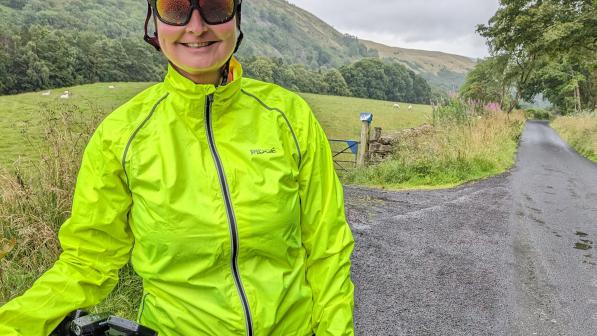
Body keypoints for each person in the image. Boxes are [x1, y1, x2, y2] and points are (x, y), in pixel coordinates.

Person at [0, 0, 355, 335]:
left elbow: (327, 248)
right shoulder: (121, 136)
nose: (196, 27)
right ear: (155, 21)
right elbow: (88, 262)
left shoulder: (289, 117)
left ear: (237, 17)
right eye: (176, 9)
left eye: (215, 7)